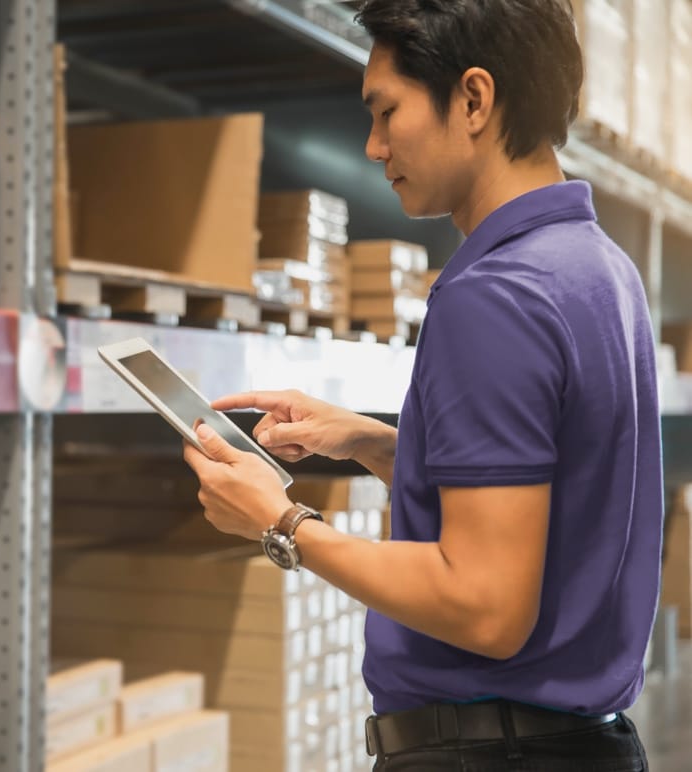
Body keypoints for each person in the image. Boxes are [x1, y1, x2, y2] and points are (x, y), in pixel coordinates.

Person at [183, 0, 661, 769]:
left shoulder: (496, 293)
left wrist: (280, 523)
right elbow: (555, 497)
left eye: (386, 111)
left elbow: (484, 605)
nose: (372, 146)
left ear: (472, 99)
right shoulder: (595, 267)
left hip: (490, 752)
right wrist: (373, 442)